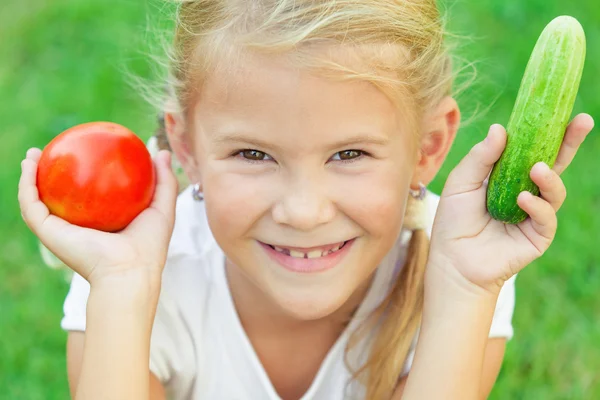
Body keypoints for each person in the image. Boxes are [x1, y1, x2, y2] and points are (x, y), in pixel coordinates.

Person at [18, 1, 594, 399]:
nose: (303, 211)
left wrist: (465, 292)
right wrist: (120, 291)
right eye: (253, 154)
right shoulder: (146, 275)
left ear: (429, 147)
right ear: (186, 146)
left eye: (348, 155)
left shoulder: (461, 268)